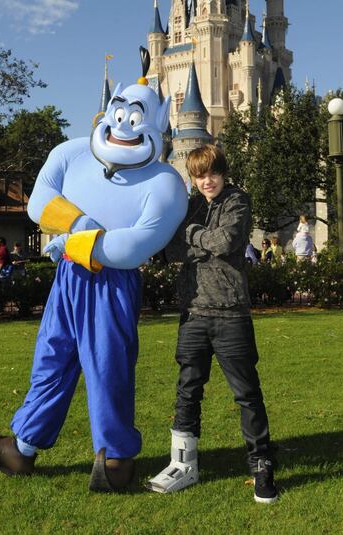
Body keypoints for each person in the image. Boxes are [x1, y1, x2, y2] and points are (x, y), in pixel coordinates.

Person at [0, 48, 188, 493]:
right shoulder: (71, 153)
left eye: (137, 116)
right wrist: (82, 226)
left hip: (110, 282)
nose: (124, 123)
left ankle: (116, 459)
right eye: (120, 111)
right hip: (69, 276)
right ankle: (21, 448)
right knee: (51, 358)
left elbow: (135, 245)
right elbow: (38, 202)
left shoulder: (165, 183)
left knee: (106, 366)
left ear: (158, 125)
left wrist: (80, 240)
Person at [147, 145, 277, 504]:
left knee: (247, 393)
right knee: (187, 389)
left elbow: (226, 241)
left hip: (230, 312)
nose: (207, 181)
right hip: (193, 313)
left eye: (212, 173)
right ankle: (183, 464)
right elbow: (171, 251)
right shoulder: (190, 206)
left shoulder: (237, 200)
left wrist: (190, 235)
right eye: (200, 176)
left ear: (222, 171)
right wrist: (199, 239)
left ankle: (261, 463)